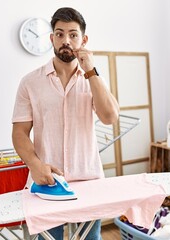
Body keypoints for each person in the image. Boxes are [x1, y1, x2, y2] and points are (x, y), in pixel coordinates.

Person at [11, 7, 119, 240]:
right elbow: (19, 133)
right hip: (47, 182)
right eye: (59, 34)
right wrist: (34, 164)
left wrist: (90, 70)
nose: (66, 41)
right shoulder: (30, 82)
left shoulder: (93, 79)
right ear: (51, 38)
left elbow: (110, 117)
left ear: (84, 40)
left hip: (89, 180)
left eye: (73, 34)